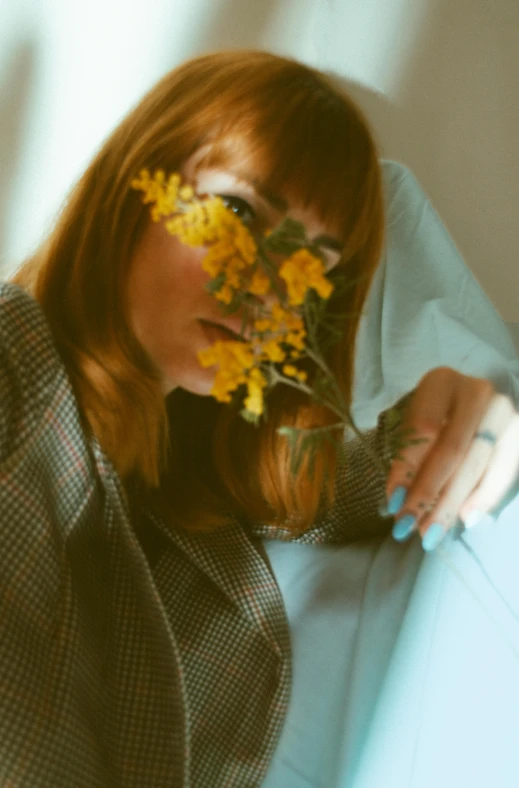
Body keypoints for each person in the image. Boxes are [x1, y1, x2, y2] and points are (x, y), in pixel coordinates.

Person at [1, 50, 518, 787]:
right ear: (130, 190)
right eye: (237, 211)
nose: (264, 289)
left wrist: (459, 414)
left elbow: (341, 488)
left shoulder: (197, 476)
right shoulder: (14, 361)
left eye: (311, 267)